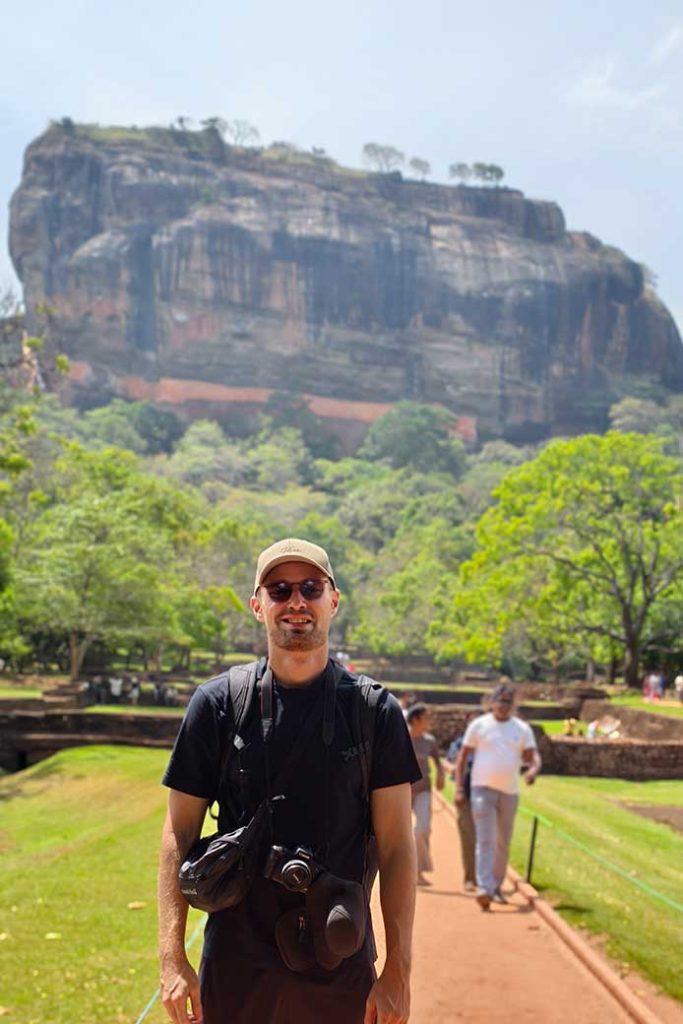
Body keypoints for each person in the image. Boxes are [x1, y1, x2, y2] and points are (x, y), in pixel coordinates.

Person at [158, 538, 420, 1024]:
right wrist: (172, 959)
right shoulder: (217, 705)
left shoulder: (373, 712)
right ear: (258, 605)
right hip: (236, 963)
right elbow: (179, 832)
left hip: (339, 958)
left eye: (310, 587)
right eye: (279, 590)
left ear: (333, 601)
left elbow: (398, 846)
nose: (296, 602)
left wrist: (398, 971)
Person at [455, 681, 541, 911]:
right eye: (499, 701)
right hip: (482, 789)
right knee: (486, 839)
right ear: (491, 703)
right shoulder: (479, 725)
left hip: (509, 792)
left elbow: (533, 757)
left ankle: (495, 885)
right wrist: (459, 788)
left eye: (507, 702)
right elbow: (462, 758)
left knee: (502, 842)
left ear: (512, 705)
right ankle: (484, 887)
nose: (503, 705)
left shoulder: (522, 729)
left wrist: (532, 770)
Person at [406, 703, 444, 886]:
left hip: (424, 790)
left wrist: (442, 775)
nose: (429, 720)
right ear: (415, 719)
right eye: (426, 717)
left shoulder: (429, 741)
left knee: (422, 829)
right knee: (397, 832)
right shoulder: (401, 737)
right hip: (402, 792)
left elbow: (437, 761)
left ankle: (418, 870)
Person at [445, 712, 478, 893]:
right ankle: (471, 878)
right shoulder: (459, 744)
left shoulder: (487, 744)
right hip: (466, 795)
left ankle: (487, 879)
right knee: (469, 839)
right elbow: (449, 763)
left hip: (487, 796)